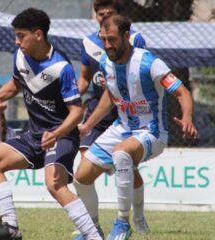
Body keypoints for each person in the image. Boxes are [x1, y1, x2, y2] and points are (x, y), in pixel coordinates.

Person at [0, 8, 102, 240]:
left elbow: (76, 112)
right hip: (34, 135)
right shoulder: (20, 57)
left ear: (38, 34)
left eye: (21, 35)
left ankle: (94, 237)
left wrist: (56, 133)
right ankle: (12, 230)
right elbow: (17, 83)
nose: (17, 41)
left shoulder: (61, 68)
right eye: (15, 35)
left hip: (62, 136)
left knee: (55, 185)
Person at [75, 15, 197, 240]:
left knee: (122, 153)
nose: (108, 45)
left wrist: (187, 116)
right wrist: (87, 126)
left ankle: (122, 223)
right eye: (103, 40)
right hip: (121, 128)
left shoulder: (150, 63)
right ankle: (92, 230)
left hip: (152, 132)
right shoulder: (105, 63)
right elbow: (110, 97)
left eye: (112, 39)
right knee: (81, 177)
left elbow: (182, 93)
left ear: (126, 36)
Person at [73, 1, 147, 239]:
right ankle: (91, 227)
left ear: (119, 15)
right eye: (99, 14)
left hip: (124, 112)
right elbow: (85, 77)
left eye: (109, 14)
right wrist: (71, 97)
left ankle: (135, 216)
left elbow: (140, 72)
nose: (103, 17)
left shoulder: (135, 40)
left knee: (128, 168)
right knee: (84, 169)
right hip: (97, 108)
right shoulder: (88, 42)